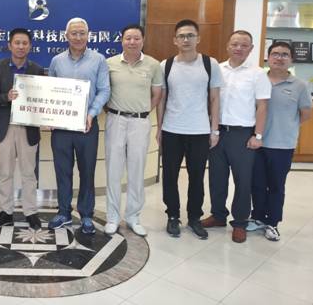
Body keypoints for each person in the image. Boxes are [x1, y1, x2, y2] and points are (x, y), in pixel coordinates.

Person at [201, 30, 271, 243]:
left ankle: (240, 222)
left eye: (244, 45)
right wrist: (212, 130)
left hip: (242, 134)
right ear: (228, 46)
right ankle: (218, 215)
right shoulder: (217, 70)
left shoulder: (258, 73)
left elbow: (262, 106)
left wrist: (258, 135)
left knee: (243, 180)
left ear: (251, 48)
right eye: (235, 44)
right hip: (218, 132)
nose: (239, 48)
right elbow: (210, 100)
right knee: (216, 177)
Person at [156, 19, 222, 239]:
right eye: (182, 36)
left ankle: (194, 217)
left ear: (198, 38)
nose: (186, 39)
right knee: (170, 176)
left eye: (190, 35)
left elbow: (215, 98)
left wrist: (214, 130)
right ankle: (173, 216)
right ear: (175, 40)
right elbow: (162, 99)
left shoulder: (209, 64)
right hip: (172, 129)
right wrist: (159, 128)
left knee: (196, 177)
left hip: (199, 131)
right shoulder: (166, 65)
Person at [47, 17, 110, 234]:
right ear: (66, 36)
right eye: (74, 33)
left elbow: (104, 90)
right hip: (62, 128)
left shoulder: (99, 60)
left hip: (87, 126)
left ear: (88, 35)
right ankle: (64, 212)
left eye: (82, 33)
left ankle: (86, 214)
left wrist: (92, 113)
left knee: (87, 171)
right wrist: (50, 116)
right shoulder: (56, 61)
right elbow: (50, 90)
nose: (78, 37)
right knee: (62, 171)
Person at [248, 41, 312, 241]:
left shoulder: (299, 85)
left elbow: (305, 113)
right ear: (268, 58)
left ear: (291, 59)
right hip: (256, 143)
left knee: (276, 186)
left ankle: (272, 222)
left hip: (282, 145)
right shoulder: (258, 80)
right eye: (275, 54)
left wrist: (287, 126)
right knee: (257, 184)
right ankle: (258, 217)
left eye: (285, 54)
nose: (279, 58)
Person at [104, 25, 162, 237]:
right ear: (121, 40)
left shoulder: (153, 65)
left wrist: (143, 111)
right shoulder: (109, 63)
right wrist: (114, 111)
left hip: (140, 122)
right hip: (115, 120)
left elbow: (157, 94)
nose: (132, 42)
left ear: (143, 40)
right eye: (128, 38)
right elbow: (104, 91)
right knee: (113, 170)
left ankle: (133, 217)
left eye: (136, 38)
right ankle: (112, 217)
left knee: (137, 170)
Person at [0, 28, 45, 231]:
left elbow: (42, 99)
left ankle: (31, 212)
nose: (21, 46)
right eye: (17, 43)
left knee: (29, 172)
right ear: (9, 45)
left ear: (30, 46)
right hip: (5, 126)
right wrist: (7, 97)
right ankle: (6, 211)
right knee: (6, 172)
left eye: (25, 43)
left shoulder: (37, 69)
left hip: (28, 128)